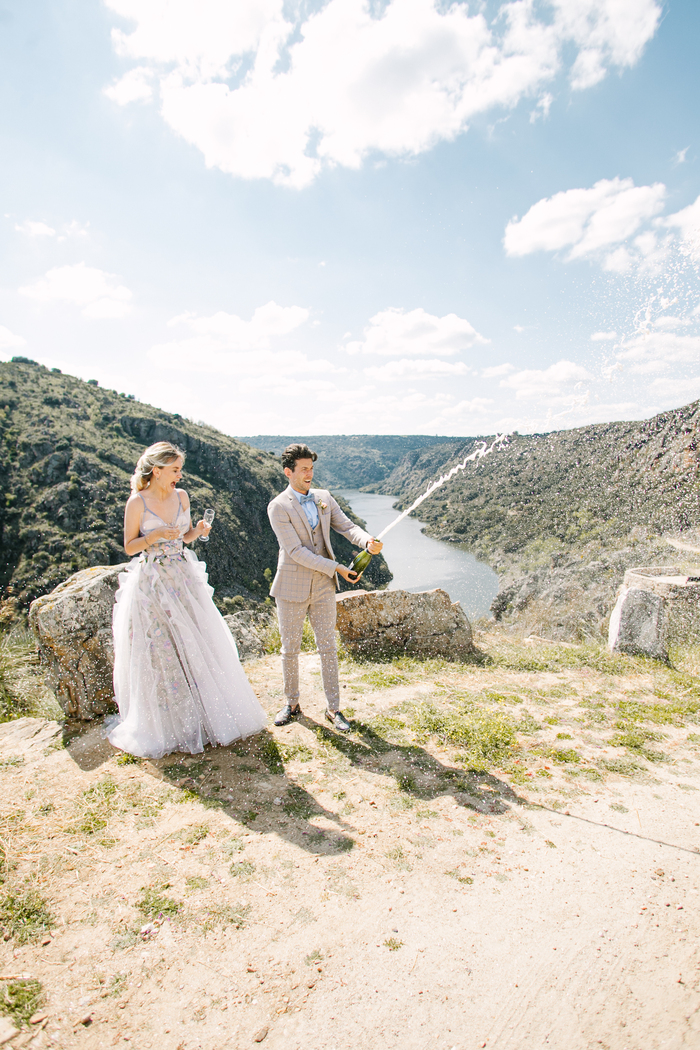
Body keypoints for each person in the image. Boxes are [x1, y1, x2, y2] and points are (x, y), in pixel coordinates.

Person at [108, 441, 267, 758]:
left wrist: (198, 529)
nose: (180, 476)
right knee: (163, 652)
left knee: (198, 643)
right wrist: (153, 537)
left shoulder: (182, 497)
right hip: (153, 583)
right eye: (175, 470)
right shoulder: (137, 502)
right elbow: (129, 547)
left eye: (180, 469)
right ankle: (171, 725)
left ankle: (207, 717)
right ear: (157, 470)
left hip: (183, 578)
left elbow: (186, 538)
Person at [267, 443, 383, 732]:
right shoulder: (278, 506)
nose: (310, 474)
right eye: (304, 469)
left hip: (322, 587)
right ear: (288, 472)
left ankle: (334, 709)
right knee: (290, 649)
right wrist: (337, 568)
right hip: (291, 586)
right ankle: (291, 704)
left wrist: (367, 541)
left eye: (312, 468)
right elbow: (295, 551)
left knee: (328, 647)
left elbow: (346, 527)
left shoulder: (324, 498)